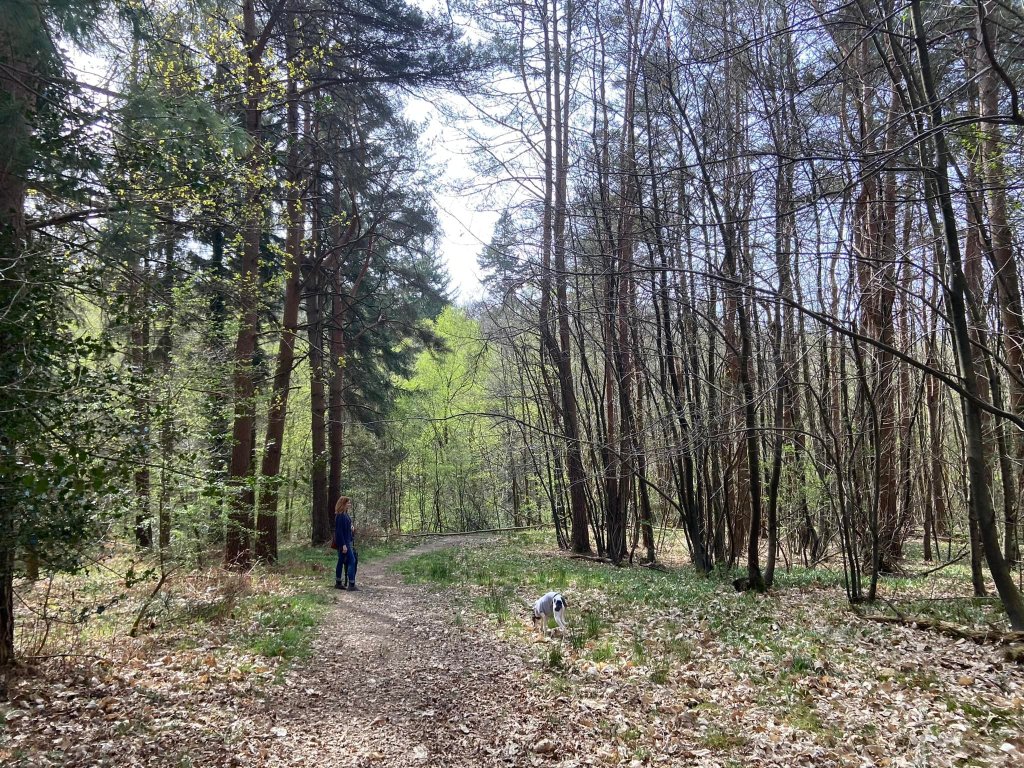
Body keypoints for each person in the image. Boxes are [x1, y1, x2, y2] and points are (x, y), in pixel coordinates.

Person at [334, 496, 358, 591]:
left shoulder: (345, 514)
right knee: (352, 561)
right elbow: (339, 532)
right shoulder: (340, 516)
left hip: (347, 541)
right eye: (348, 503)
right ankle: (351, 584)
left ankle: (338, 582)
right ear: (343, 504)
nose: (349, 504)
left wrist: (351, 528)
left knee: (340, 561)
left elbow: (346, 527)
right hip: (344, 543)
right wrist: (343, 545)